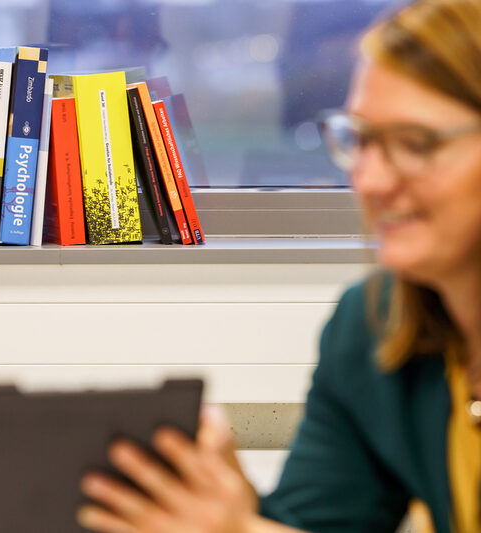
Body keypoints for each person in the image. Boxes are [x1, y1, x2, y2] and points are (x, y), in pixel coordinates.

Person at [75, 0, 481, 532]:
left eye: (416, 144)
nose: (372, 181)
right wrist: (219, 509)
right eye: (360, 139)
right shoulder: (374, 327)